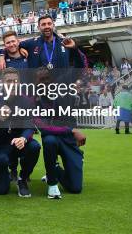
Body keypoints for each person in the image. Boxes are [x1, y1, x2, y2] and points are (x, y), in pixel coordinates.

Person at [0, 68, 40, 197]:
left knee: (34, 146)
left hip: (17, 143)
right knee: (2, 190)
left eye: (15, 81)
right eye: (9, 81)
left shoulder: (26, 100)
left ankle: (22, 179)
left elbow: (29, 125)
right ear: (2, 83)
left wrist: (23, 138)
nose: (12, 84)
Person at [34, 69, 86, 199]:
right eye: (42, 80)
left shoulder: (65, 95)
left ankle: (55, 168)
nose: (45, 83)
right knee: (49, 140)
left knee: (75, 188)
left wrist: (74, 48)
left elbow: (80, 67)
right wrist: (71, 130)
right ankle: (52, 183)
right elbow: (44, 128)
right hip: (53, 138)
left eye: (48, 79)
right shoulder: (34, 102)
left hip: (68, 141)